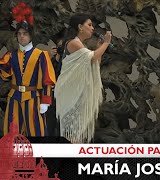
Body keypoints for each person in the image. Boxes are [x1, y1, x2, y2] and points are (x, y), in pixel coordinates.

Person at [0, 2, 56, 136]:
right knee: (12, 132)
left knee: (36, 131)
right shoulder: (10, 55)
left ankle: (38, 157)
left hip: (33, 98)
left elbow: (48, 81)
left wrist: (46, 102)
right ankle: (14, 157)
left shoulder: (41, 55)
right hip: (14, 97)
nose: (21, 36)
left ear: (31, 35)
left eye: (25, 33)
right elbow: (4, 75)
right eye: (19, 34)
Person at [54, 14, 112, 143]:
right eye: (89, 25)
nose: (92, 28)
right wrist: (106, 43)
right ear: (80, 27)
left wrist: (99, 47)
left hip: (75, 92)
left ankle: (74, 157)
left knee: (77, 131)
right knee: (73, 131)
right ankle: (71, 159)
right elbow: (92, 57)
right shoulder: (74, 43)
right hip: (71, 93)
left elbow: (94, 61)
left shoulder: (79, 44)